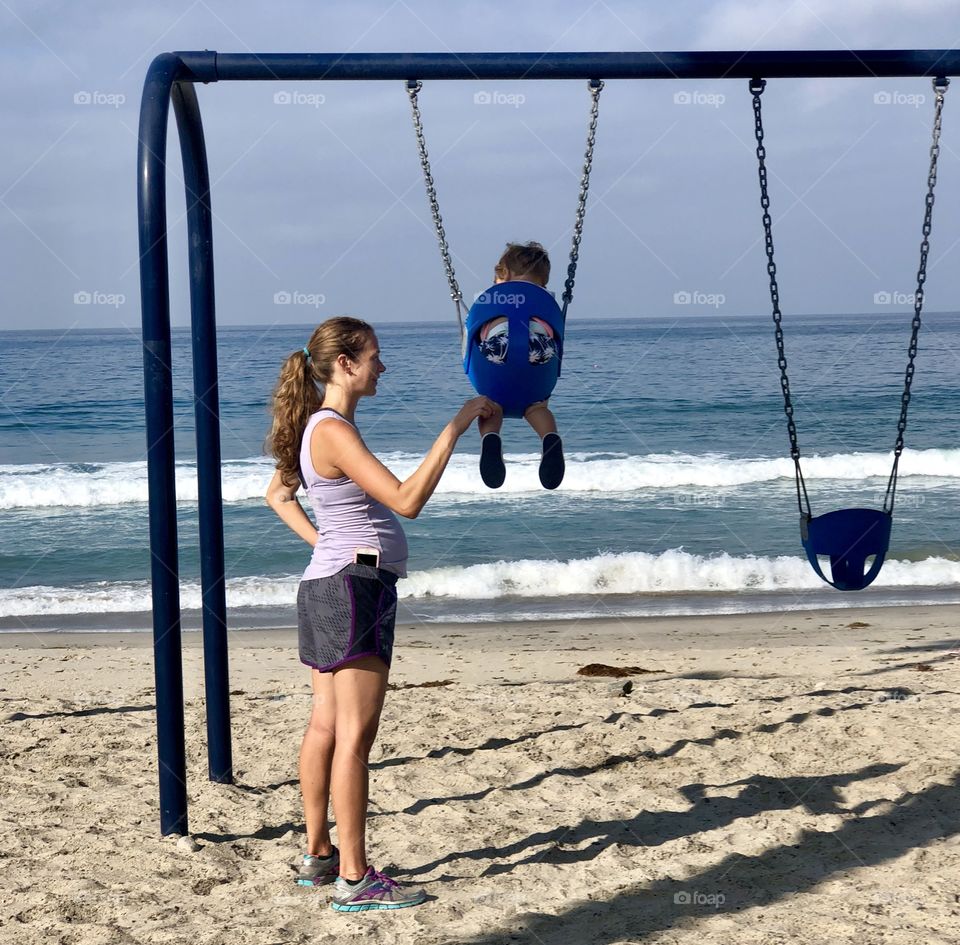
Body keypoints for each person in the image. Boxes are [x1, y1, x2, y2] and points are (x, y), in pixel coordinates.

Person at [265, 316, 497, 912]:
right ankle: (354, 877)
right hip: (354, 588)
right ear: (345, 362)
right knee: (355, 738)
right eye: (374, 356)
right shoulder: (333, 429)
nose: (382, 367)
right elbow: (407, 500)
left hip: (328, 583)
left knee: (325, 727)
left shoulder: (315, 425)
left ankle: (320, 857)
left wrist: (323, 543)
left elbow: (278, 494)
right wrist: (460, 420)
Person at [475, 241, 565, 491]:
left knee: (490, 404)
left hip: (498, 346)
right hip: (539, 349)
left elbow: (472, 332)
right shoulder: (545, 298)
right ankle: (549, 438)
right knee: (537, 405)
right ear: (543, 282)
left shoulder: (495, 295)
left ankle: (491, 438)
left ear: (502, 274)